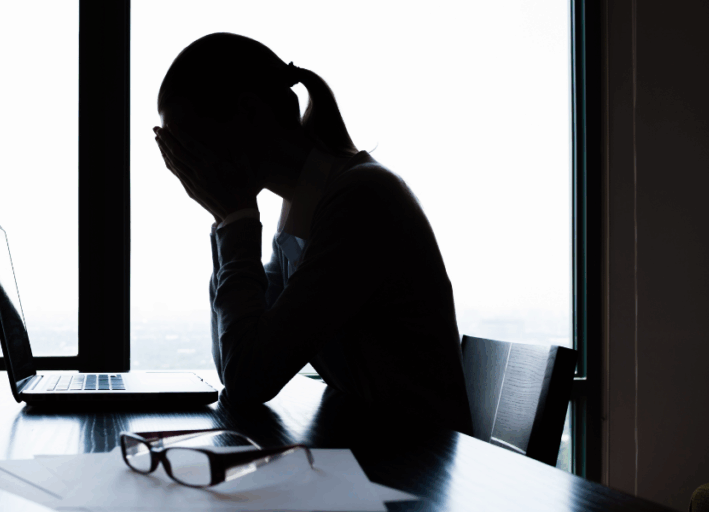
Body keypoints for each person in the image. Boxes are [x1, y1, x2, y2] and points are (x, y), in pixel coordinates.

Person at [154, 33, 473, 435]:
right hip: (378, 450)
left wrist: (234, 220)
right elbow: (236, 360)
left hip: (417, 466)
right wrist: (227, 222)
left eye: (189, 147)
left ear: (250, 113)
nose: (189, 169)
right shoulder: (305, 202)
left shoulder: (361, 198)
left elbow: (249, 378)